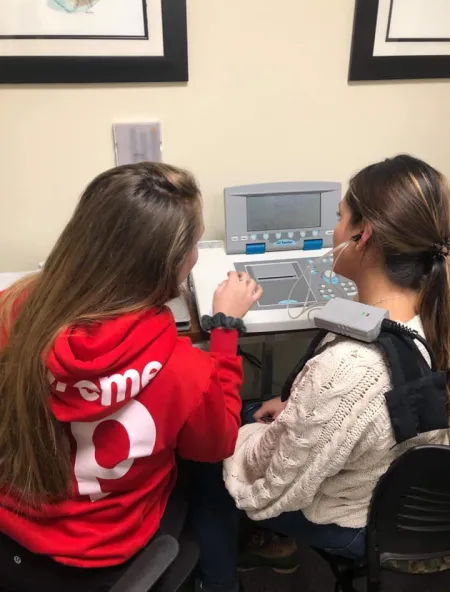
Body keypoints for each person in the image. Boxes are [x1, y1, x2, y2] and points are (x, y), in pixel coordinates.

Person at [190, 154, 450, 592]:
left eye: (340, 218)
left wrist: (237, 434)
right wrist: (302, 408)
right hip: (409, 495)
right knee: (256, 412)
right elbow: (393, 403)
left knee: (207, 455)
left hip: (359, 518)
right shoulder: (434, 314)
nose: (334, 231)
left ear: (363, 235)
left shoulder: (348, 368)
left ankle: (219, 583)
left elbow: (274, 486)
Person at [0, 162, 262, 591]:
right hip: (111, 546)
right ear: (171, 265)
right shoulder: (185, 370)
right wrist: (224, 332)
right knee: (208, 469)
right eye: (194, 243)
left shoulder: (10, 309)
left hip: (16, 535)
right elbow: (217, 443)